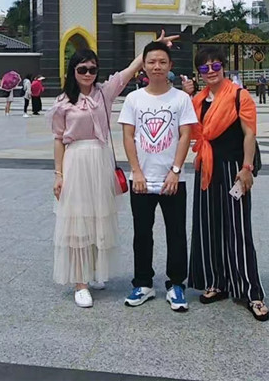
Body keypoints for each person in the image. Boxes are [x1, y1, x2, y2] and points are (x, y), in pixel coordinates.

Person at [50, 30, 179, 308]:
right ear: (73, 71)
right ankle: (80, 282)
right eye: (82, 69)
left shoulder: (104, 93)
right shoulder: (63, 103)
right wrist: (58, 174)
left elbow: (130, 70)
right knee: (78, 219)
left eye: (92, 69)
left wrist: (152, 47)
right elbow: (59, 140)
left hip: (100, 161)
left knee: (99, 217)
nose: (87, 74)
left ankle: (94, 272)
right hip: (76, 161)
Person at [182, 47, 269, 321]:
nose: (210, 71)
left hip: (234, 169)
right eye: (204, 68)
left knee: (238, 229)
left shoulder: (239, 96)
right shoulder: (198, 100)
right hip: (207, 168)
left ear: (224, 66)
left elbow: (249, 134)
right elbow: (189, 130)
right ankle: (216, 282)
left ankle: (251, 292)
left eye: (215, 65)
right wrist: (186, 96)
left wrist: (246, 168)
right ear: (199, 72)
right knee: (208, 226)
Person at [118, 41, 198, 311]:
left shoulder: (181, 99)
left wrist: (175, 171)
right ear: (143, 65)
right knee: (142, 233)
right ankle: (143, 283)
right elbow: (128, 136)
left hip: (172, 180)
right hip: (141, 180)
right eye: (151, 61)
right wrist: (136, 172)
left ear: (170, 66)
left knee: (176, 233)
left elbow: (185, 135)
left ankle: (176, 284)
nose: (157, 66)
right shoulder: (134, 99)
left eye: (162, 62)